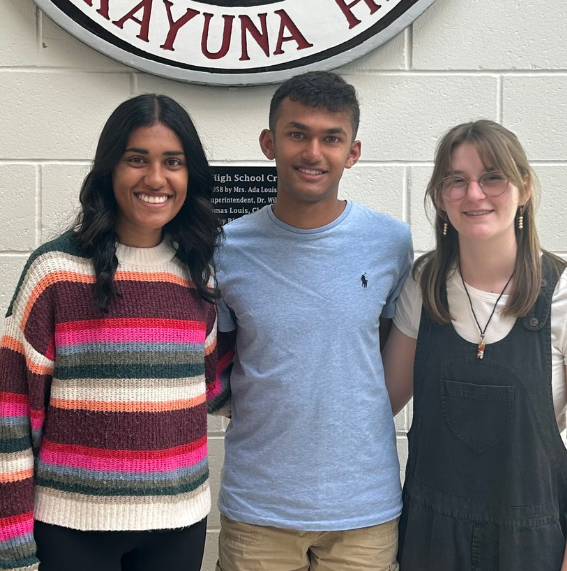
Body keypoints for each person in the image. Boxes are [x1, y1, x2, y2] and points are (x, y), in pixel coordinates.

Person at [0, 94, 229, 571]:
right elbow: (12, 410)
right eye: (137, 160)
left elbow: (209, 385)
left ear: (189, 174)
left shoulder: (199, 275)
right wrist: (10, 534)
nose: (156, 178)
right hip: (74, 530)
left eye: (172, 162)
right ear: (109, 169)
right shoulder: (56, 273)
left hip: (179, 523)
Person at [382, 120, 567, 571]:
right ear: (439, 196)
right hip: (428, 541)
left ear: (523, 188)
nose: (475, 194)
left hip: (531, 547)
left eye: (492, 176)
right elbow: (378, 402)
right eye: (456, 180)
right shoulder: (423, 286)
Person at [213, 71, 413, 571]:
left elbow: (387, 361)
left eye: (331, 138)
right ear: (269, 142)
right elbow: (225, 360)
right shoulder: (227, 247)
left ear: (353, 152)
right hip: (259, 507)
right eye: (297, 133)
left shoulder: (391, 242)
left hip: (364, 509)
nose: (313, 152)